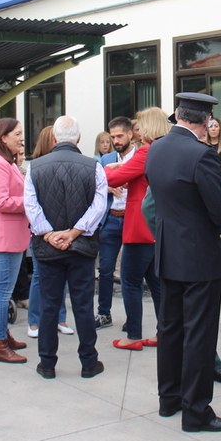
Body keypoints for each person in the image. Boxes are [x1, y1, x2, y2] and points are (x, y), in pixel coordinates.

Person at [145, 92, 221, 433]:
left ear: (177, 114)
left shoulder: (156, 149)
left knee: (170, 328)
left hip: (167, 253)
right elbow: (219, 211)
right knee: (199, 334)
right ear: (207, 121)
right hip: (198, 256)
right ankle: (196, 410)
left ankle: (169, 399)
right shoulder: (202, 155)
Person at [23, 116, 107, 379]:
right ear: (79, 138)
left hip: (49, 249)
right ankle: (88, 362)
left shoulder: (34, 167)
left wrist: (49, 234)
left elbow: (30, 206)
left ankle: (47, 364)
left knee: (49, 306)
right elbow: (99, 206)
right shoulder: (93, 166)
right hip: (82, 248)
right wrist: (74, 233)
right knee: (83, 305)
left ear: (54, 138)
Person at [104, 107, 169, 350]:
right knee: (156, 284)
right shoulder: (166, 150)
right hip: (158, 227)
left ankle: (133, 335)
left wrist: (109, 168)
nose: (138, 132)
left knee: (130, 282)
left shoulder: (145, 152)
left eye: (140, 127)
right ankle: (164, 332)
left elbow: (112, 181)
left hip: (139, 226)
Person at [0, 117, 30, 364]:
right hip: (5, 236)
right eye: (17, 134)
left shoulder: (6, 163)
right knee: (3, 291)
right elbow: (2, 202)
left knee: (5, 289)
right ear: (3, 137)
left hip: (11, 235)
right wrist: (30, 204)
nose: (22, 138)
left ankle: (3, 335)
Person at [24, 126, 72, 338]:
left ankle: (60, 318)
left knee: (61, 275)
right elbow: (32, 204)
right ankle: (35, 321)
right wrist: (46, 232)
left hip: (62, 228)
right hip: (41, 231)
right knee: (39, 276)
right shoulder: (35, 168)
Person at [95, 116, 134, 330]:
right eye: (113, 137)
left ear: (130, 134)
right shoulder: (106, 159)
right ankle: (103, 313)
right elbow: (94, 185)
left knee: (129, 271)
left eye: (119, 136)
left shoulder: (141, 156)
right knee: (106, 269)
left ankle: (132, 317)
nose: (116, 140)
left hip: (132, 218)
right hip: (111, 217)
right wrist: (108, 187)